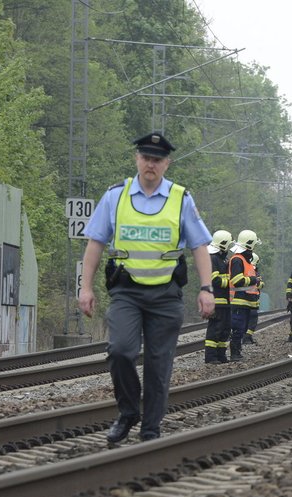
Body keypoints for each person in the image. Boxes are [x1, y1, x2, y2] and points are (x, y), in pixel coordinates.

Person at [78, 132, 214, 445]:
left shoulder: (181, 198)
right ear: (137, 159)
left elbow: (199, 247)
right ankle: (128, 411)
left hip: (166, 296)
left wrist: (206, 288)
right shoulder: (115, 196)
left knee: (159, 363)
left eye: (157, 159)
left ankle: (151, 427)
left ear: (166, 163)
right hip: (126, 292)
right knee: (121, 351)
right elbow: (96, 242)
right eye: (145, 157)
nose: (150, 164)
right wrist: (85, 287)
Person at [228, 229, 262, 361]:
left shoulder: (246, 260)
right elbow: (237, 281)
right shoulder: (237, 259)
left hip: (247, 302)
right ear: (250, 244)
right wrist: (255, 280)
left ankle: (237, 352)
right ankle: (235, 354)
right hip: (239, 301)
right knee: (237, 328)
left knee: (241, 329)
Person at [204, 230, 233, 364]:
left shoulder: (224, 259)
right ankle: (210, 357)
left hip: (226, 302)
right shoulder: (212, 258)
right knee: (215, 330)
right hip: (216, 301)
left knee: (225, 329)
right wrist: (231, 283)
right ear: (223, 244)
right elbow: (214, 280)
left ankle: (221, 355)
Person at [243, 252, 263, 344]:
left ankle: (247, 337)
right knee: (252, 319)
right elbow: (257, 284)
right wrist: (260, 283)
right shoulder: (252, 271)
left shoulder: (248, 269)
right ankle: (247, 337)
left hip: (250, 300)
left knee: (248, 319)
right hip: (251, 300)